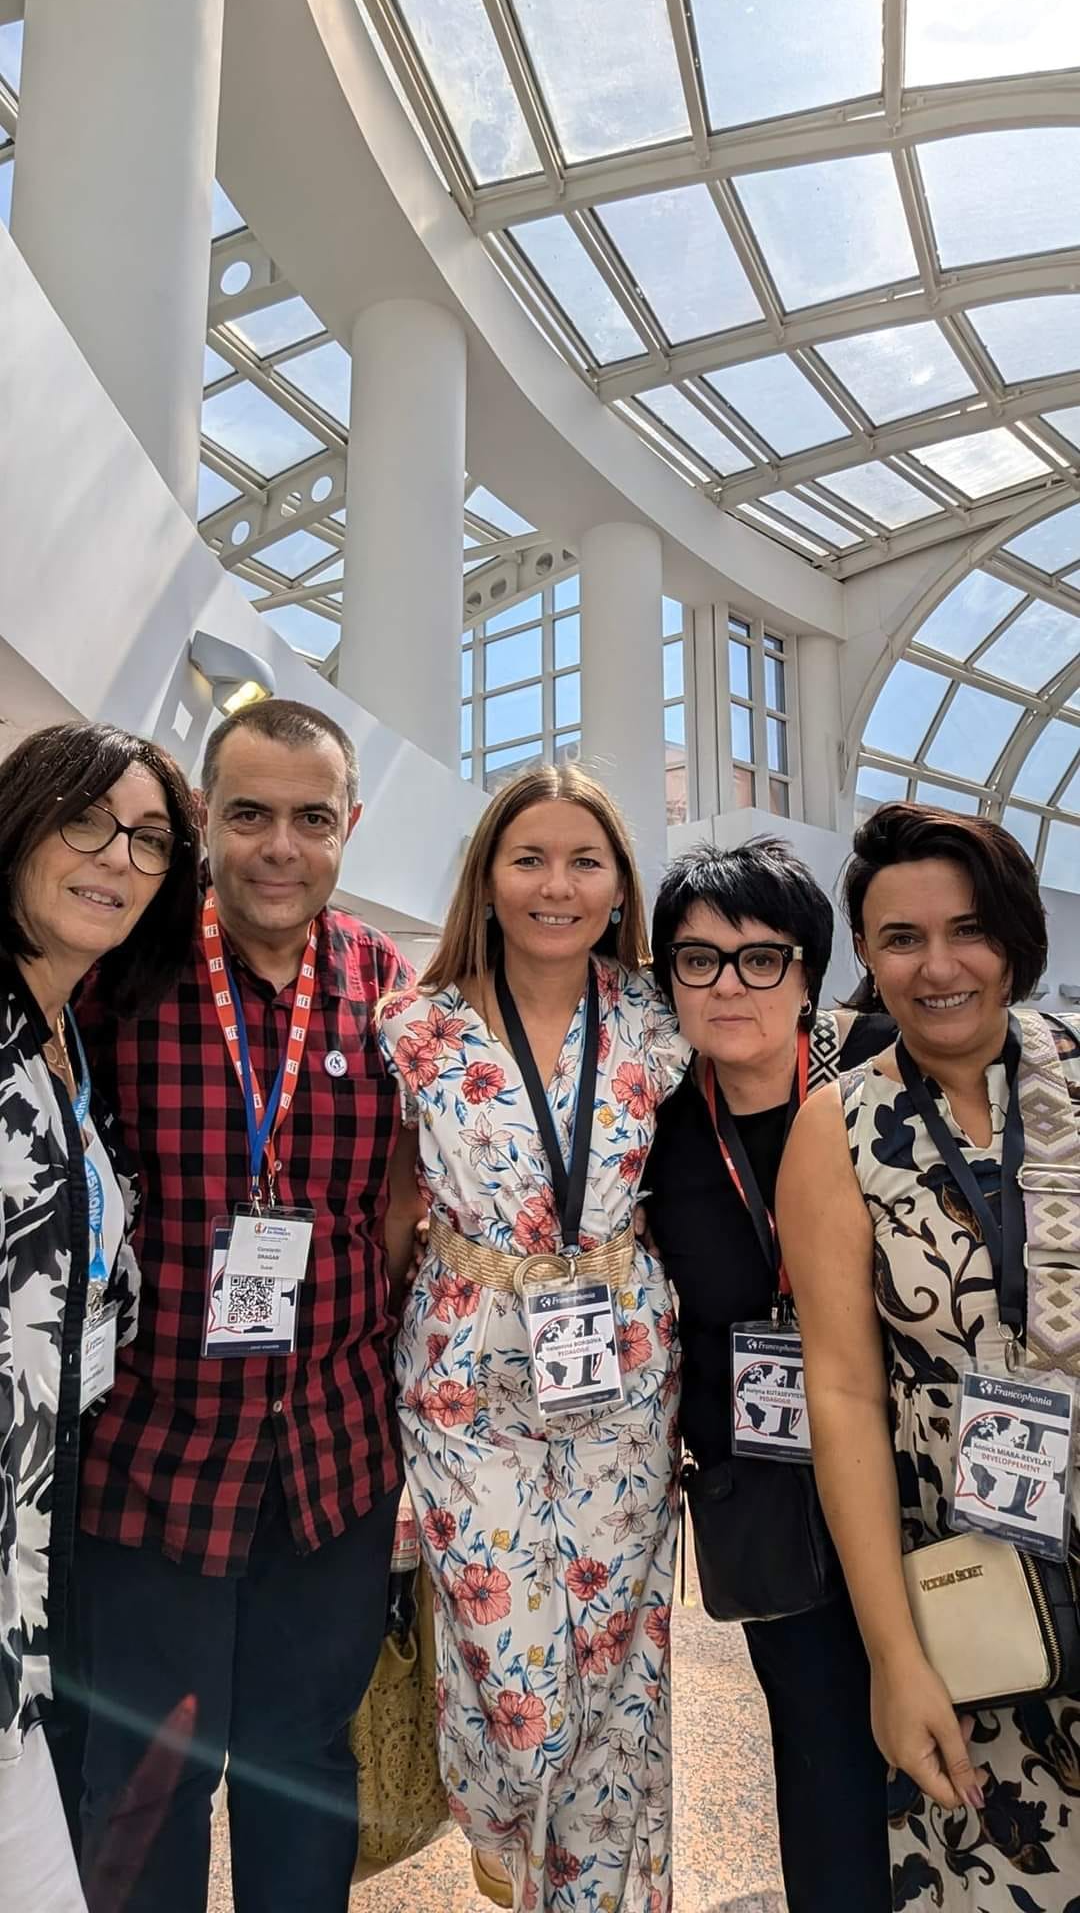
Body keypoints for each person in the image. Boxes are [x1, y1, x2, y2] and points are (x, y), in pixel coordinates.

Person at [72, 699, 421, 1913]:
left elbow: (401, 1204)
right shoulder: (125, 973)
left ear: (349, 827)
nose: (281, 847)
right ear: (204, 821)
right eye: (250, 815)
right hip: (153, 1459)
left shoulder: (386, 987)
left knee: (303, 1766)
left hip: (332, 1466)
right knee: (144, 1783)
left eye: (311, 819)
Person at [377, 762, 690, 1913]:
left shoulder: (658, 1018)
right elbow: (391, 1211)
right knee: (511, 1675)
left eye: (584, 862)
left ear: (619, 886)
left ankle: (596, 1896)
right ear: (489, 877)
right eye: (530, 859)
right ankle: (506, 1828)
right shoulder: (416, 1028)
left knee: (617, 1664)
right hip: (465, 1371)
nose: (557, 886)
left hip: (621, 1364)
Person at [777, 801, 1080, 1910]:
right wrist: (895, 1658)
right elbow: (845, 1394)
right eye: (902, 939)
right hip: (975, 1587)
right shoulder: (838, 1128)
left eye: (970, 931)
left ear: (1016, 939)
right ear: (867, 953)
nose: (939, 968)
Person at [643, 840, 893, 1912]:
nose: (729, 986)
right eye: (698, 961)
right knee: (820, 1745)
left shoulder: (882, 1071)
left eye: (761, 958)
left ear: (809, 971)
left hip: (912, 1468)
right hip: (767, 1485)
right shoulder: (653, 1125)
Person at [0, 720, 199, 1912]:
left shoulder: (67, 1030)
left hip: (44, 1529)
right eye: (86, 821)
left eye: (149, 839)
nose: (117, 857)